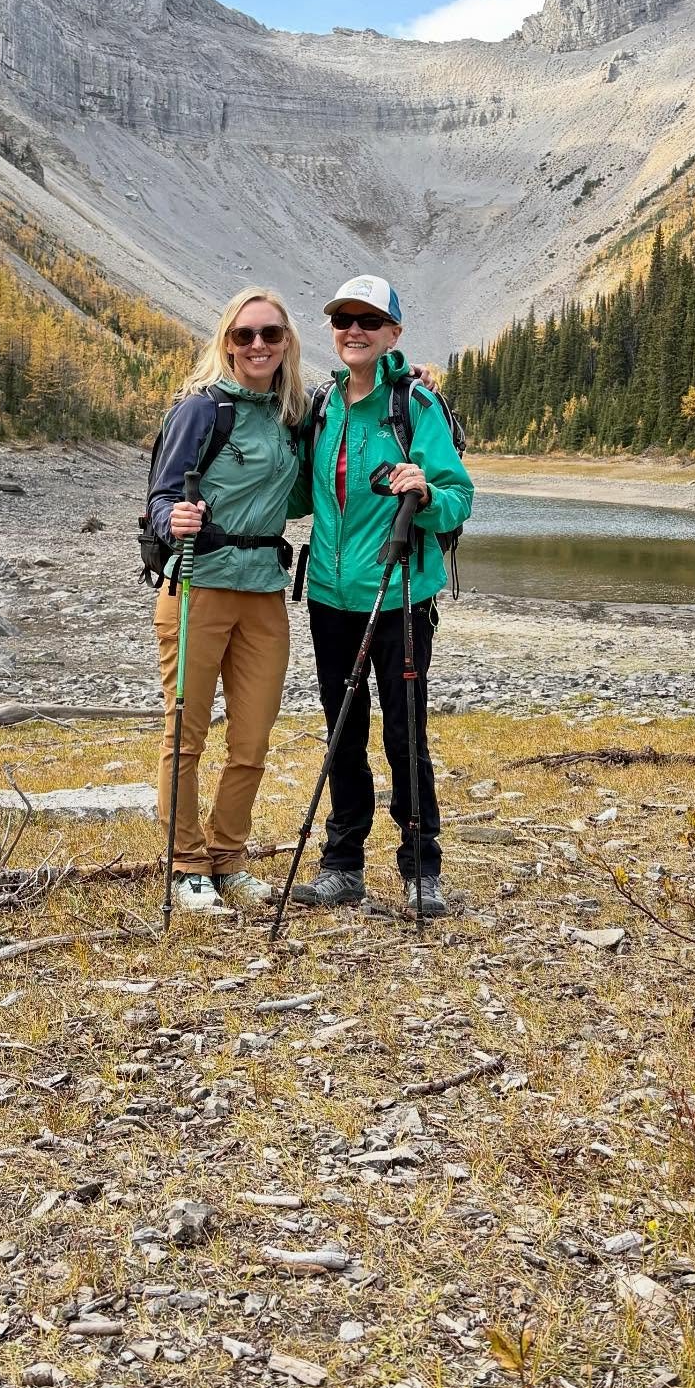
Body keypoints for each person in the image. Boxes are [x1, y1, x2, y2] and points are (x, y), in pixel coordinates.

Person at [290, 275, 473, 919]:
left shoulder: (414, 407)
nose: (354, 331)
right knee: (343, 730)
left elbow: (459, 500)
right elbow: (296, 496)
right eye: (344, 320)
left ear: (394, 333)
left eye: (369, 320)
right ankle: (343, 866)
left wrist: (425, 489)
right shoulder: (322, 406)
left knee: (404, 731)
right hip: (328, 596)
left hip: (399, 597)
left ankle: (422, 868)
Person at [146, 288, 309, 915]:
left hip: (264, 592)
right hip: (198, 585)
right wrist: (173, 518)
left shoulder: (295, 413)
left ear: (287, 342)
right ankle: (186, 863)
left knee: (252, 738)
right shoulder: (201, 411)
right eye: (245, 336)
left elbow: (363, 399)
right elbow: (160, 496)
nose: (258, 345)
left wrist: (413, 374)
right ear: (228, 343)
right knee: (184, 734)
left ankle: (230, 858)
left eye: (270, 334)